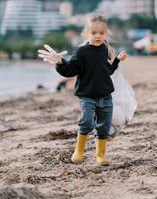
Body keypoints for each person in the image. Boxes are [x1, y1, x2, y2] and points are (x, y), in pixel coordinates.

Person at [38, 13, 127, 166]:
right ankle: (78, 152)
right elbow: (70, 71)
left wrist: (117, 60)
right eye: (93, 33)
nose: (98, 36)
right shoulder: (81, 51)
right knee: (86, 121)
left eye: (101, 33)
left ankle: (100, 155)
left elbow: (108, 71)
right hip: (87, 95)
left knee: (104, 127)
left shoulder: (105, 50)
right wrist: (60, 62)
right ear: (86, 33)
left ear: (106, 33)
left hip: (105, 95)